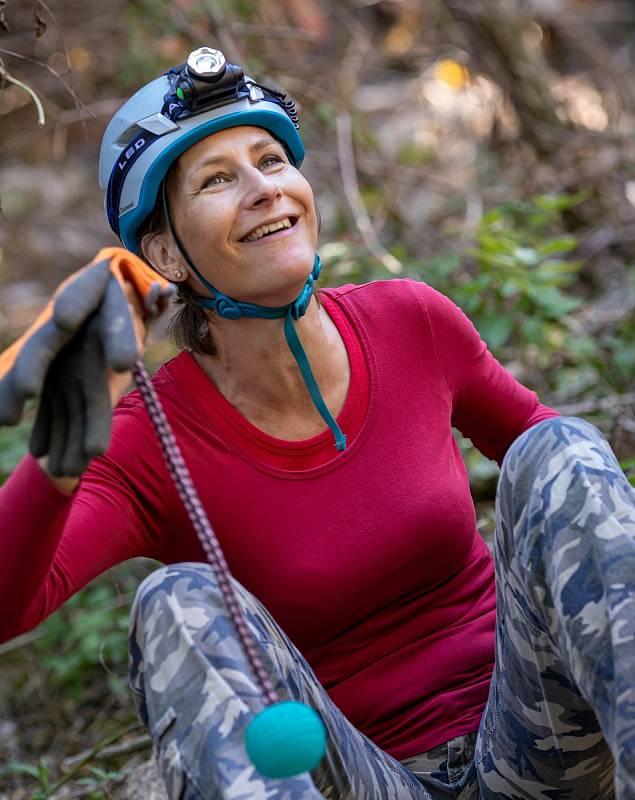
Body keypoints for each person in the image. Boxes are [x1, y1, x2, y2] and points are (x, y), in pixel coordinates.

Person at [0, 46, 634, 800]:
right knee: (173, 603)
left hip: (541, 746)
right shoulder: (150, 435)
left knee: (558, 447)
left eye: (270, 160)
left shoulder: (410, 322)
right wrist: (55, 465)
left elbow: (573, 514)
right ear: (165, 251)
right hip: (363, 779)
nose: (264, 190)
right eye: (217, 179)